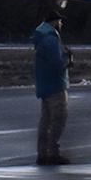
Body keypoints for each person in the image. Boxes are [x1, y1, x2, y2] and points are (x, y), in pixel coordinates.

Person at [32, 10, 73, 165]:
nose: (61, 24)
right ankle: (52, 153)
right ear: (55, 22)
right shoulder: (50, 39)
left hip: (45, 85)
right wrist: (67, 60)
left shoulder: (41, 37)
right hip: (55, 85)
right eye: (60, 21)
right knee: (58, 119)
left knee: (46, 120)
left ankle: (43, 153)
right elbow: (56, 64)